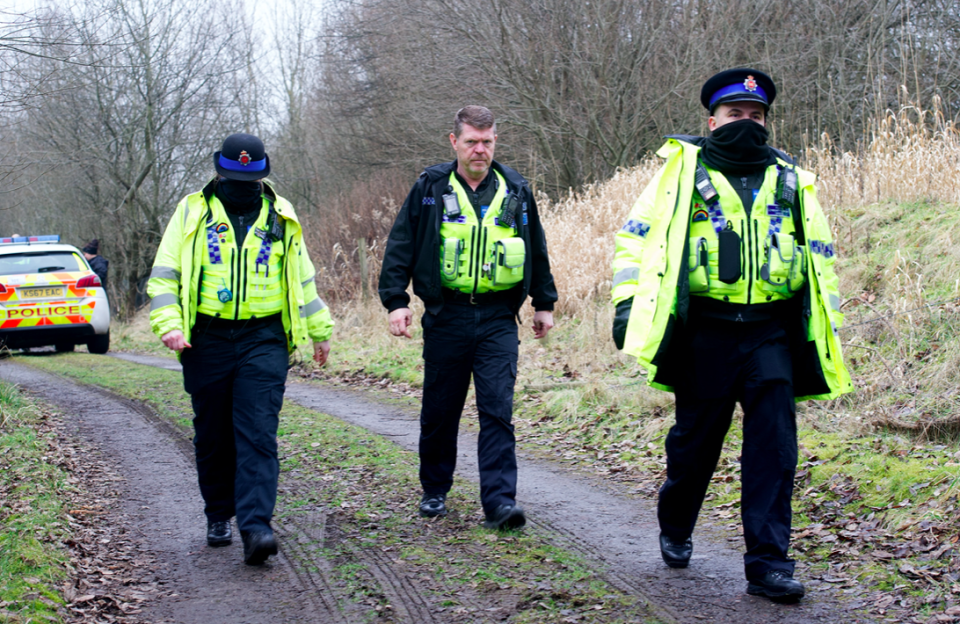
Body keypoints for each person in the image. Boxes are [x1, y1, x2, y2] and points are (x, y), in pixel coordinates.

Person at [611, 69, 852, 602]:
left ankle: (768, 565)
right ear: (712, 120)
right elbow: (635, 242)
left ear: (766, 121)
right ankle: (676, 524)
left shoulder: (792, 180)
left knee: (774, 451)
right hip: (705, 335)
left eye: (755, 116)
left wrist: (824, 329)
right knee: (693, 449)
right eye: (735, 115)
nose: (746, 123)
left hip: (771, 335)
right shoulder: (678, 175)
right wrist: (627, 305)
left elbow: (822, 260)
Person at [147, 133, 334, 565]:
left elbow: (303, 279)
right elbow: (164, 276)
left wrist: (319, 329)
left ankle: (256, 527)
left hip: (264, 338)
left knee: (257, 432)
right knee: (213, 434)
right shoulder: (192, 212)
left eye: (250, 178)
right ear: (219, 172)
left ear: (263, 175)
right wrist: (169, 325)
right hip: (205, 338)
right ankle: (218, 513)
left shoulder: (282, 215)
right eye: (234, 177)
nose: (243, 186)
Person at [378, 105, 557, 530]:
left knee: (498, 408)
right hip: (447, 315)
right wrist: (396, 301)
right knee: (441, 409)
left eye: (488, 141)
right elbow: (401, 244)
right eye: (472, 141)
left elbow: (537, 247)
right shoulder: (430, 186)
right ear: (454, 141)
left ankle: (499, 502)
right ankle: (435, 490)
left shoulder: (515, 188)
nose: (480, 149)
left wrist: (543, 302)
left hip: (498, 318)